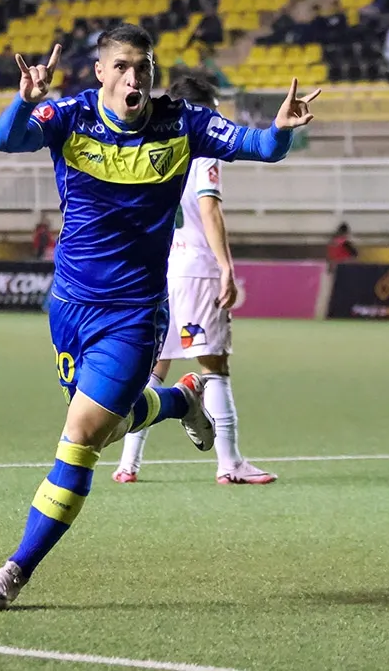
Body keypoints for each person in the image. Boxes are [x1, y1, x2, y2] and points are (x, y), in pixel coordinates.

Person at [0, 23, 320, 611]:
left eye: (145, 67)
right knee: (110, 425)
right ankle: (182, 400)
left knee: (81, 437)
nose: (136, 77)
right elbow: (7, 142)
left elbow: (259, 146)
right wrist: (23, 102)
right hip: (69, 307)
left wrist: (281, 132)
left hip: (134, 314)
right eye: (124, 66)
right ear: (103, 72)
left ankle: (15, 569)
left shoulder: (182, 122)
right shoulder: (70, 115)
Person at [113, 73, 276, 486]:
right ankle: (230, 462)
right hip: (197, 270)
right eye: (215, 109)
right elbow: (209, 208)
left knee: (153, 368)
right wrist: (226, 268)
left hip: (162, 268)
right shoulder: (204, 149)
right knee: (214, 365)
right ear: (202, 109)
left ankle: (127, 464)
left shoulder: (159, 148)